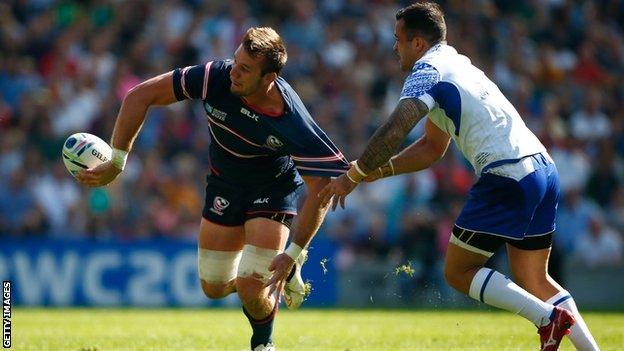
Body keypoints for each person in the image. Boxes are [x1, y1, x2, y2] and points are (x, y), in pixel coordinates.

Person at [319, 3, 600, 351]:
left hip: (505, 174)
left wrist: (355, 174)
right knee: (534, 278)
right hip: (542, 169)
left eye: (399, 40)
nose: (394, 48)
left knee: (458, 271)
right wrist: (383, 170)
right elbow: (432, 147)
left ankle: (546, 319)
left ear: (418, 44)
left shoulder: (427, 70)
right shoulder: (458, 64)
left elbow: (396, 127)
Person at [77, 27, 349, 351]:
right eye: (235, 61)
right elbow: (140, 95)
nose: (234, 72)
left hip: (272, 188)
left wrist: (292, 252)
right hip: (225, 185)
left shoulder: (292, 119)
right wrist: (117, 162)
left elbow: (322, 190)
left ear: (269, 78)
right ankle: (278, 280)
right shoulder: (215, 76)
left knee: (250, 286)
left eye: (245, 69)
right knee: (214, 287)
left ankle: (264, 343)